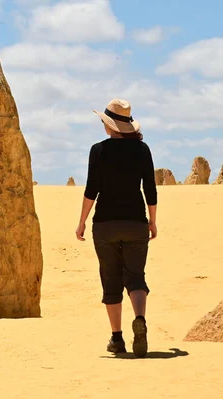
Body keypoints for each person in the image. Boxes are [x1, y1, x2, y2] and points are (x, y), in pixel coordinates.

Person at [75, 99, 157, 358]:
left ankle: (117, 338)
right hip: (135, 223)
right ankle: (140, 320)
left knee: (111, 280)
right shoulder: (142, 150)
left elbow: (91, 190)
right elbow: (150, 190)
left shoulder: (98, 150)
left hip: (105, 224)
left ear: (109, 125)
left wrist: (82, 221)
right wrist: (152, 221)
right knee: (135, 277)